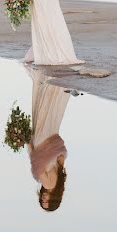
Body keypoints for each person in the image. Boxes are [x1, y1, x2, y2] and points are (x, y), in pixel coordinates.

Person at [26, 65, 70, 212]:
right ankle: (47, 80)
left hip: (49, 139)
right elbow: (36, 163)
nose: (43, 198)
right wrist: (27, 142)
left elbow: (60, 155)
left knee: (51, 113)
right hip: (40, 142)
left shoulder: (60, 177)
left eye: (42, 201)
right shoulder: (49, 184)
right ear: (54, 198)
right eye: (46, 201)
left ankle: (54, 82)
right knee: (43, 110)